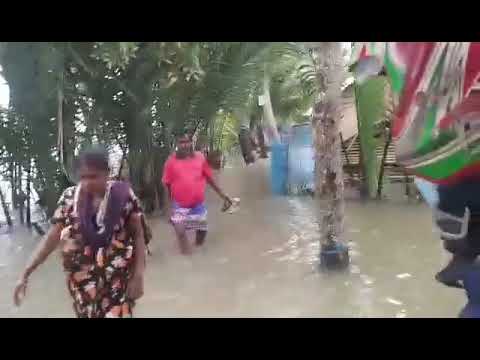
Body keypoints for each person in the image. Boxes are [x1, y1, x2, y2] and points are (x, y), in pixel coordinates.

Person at [13, 147, 147, 318]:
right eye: (83, 177)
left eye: (93, 176)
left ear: (107, 174)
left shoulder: (123, 196)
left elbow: (138, 235)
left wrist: (138, 275)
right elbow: (51, 240)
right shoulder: (70, 199)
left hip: (117, 282)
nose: (87, 182)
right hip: (82, 286)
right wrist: (26, 273)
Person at [162, 132, 232, 255]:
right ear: (177, 144)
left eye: (186, 141)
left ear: (191, 143)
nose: (184, 145)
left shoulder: (200, 157)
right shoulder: (171, 161)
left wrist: (223, 195)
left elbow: (210, 179)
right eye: (181, 142)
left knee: (201, 232)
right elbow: (166, 185)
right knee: (180, 231)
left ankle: (198, 253)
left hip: (197, 204)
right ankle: (187, 260)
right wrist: (168, 209)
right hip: (179, 205)